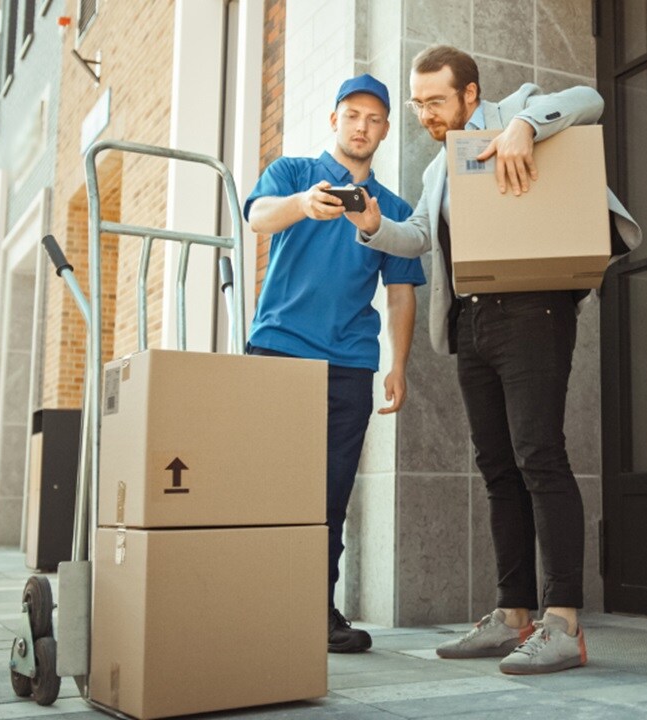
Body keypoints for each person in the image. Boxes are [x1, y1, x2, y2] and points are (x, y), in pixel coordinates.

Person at [345, 45, 641, 674]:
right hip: (473, 321)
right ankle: (513, 615)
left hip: (534, 311)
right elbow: (420, 236)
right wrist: (373, 224)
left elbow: (590, 100)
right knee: (498, 468)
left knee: (540, 455)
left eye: (436, 101)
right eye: (418, 103)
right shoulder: (436, 171)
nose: (424, 114)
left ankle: (564, 623)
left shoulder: (519, 108)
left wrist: (523, 127)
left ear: (470, 96)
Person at [243, 74, 425, 653]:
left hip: (349, 366)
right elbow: (256, 217)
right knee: (267, 485)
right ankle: (255, 603)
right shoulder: (294, 174)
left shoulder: (390, 208)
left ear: (386, 130)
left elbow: (401, 291)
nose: (362, 127)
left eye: (374, 119)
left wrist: (398, 366)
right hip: (277, 350)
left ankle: (316, 612)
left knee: (329, 496)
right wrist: (303, 205)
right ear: (334, 120)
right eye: (352, 115)